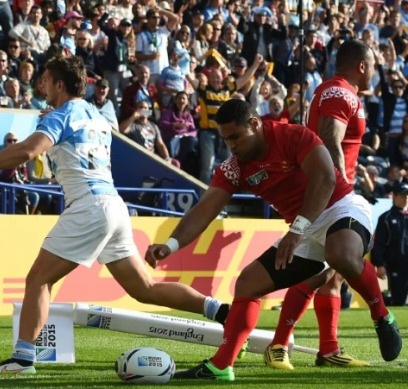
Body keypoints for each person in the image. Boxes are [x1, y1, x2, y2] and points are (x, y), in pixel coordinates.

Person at [0, 56, 229, 375]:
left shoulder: (61, 115)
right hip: (114, 206)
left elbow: (28, 151)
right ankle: (219, 310)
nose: (43, 86)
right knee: (144, 288)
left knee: (38, 279)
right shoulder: (95, 115)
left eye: (47, 81)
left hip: (89, 205)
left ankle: (22, 359)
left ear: (60, 85)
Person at [146, 99, 402, 381]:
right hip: (305, 229)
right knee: (247, 284)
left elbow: (326, 178)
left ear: (255, 124)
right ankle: (221, 366)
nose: (231, 145)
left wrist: (297, 230)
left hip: (341, 207)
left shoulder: (292, 135)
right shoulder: (234, 167)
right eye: (225, 139)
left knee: (340, 254)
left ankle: (381, 316)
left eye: (236, 137)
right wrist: (170, 245)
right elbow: (204, 210)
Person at [266, 40, 374, 369]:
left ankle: (327, 349)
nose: (374, 72)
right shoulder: (340, 93)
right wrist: (343, 193)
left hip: (331, 193)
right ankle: (278, 346)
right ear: (361, 66)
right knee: (315, 273)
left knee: (331, 275)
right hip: (330, 198)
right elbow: (329, 141)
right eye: (372, 65)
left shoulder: (341, 92)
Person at [372, 182, 408, 307]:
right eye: (403, 195)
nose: (406, 198)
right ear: (395, 196)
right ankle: (380, 300)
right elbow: (379, 243)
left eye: (407, 195)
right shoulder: (386, 218)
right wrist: (379, 264)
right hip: (396, 265)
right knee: (398, 301)